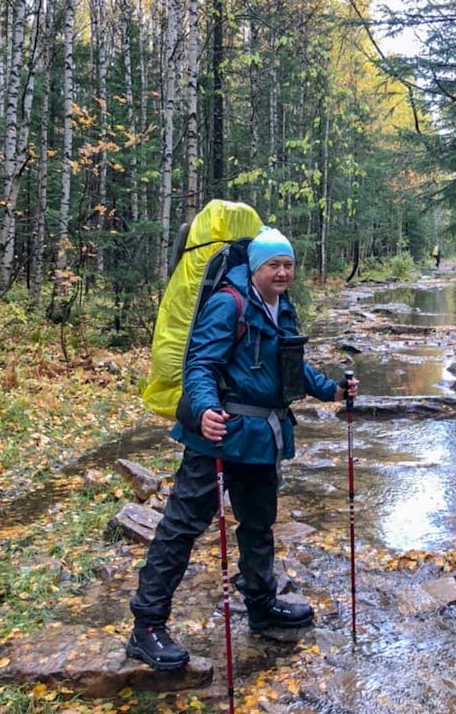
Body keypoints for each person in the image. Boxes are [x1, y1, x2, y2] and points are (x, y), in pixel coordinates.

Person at [127, 227, 359, 671]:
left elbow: (289, 364)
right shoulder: (228, 304)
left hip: (261, 441)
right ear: (256, 268)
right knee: (181, 529)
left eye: (288, 264)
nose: (282, 272)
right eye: (274, 264)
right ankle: (147, 627)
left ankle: (261, 605)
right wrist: (204, 409)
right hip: (218, 436)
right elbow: (200, 365)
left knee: (258, 526)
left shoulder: (281, 307)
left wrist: (331, 391)